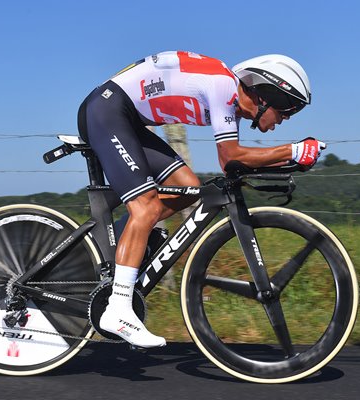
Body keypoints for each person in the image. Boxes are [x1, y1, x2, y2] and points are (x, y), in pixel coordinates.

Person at [77, 51, 325, 348]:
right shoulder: (223, 88)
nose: (284, 120)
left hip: (127, 119)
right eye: (286, 112)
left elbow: (236, 162)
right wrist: (292, 151)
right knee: (145, 208)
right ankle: (118, 309)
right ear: (268, 96)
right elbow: (231, 158)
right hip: (107, 110)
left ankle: (126, 240)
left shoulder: (229, 99)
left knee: (186, 187)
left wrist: (290, 159)